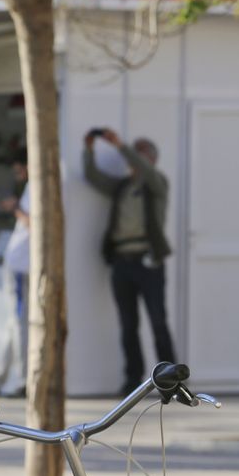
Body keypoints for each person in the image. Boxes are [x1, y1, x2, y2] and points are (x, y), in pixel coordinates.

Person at [83, 128, 177, 393]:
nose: (133, 160)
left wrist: (120, 145)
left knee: (158, 321)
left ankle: (171, 380)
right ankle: (132, 380)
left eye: (140, 155)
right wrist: (89, 150)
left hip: (148, 261)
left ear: (151, 159)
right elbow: (93, 177)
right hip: (122, 261)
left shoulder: (156, 183)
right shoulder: (123, 186)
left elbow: (145, 171)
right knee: (128, 325)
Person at [0, 157, 31, 398]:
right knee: (16, 323)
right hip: (19, 263)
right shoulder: (31, 189)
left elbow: (34, 223)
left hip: (22, 265)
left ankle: (22, 381)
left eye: (19, 168)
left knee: (19, 324)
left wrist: (15, 208)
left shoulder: (35, 189)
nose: (17, 175)